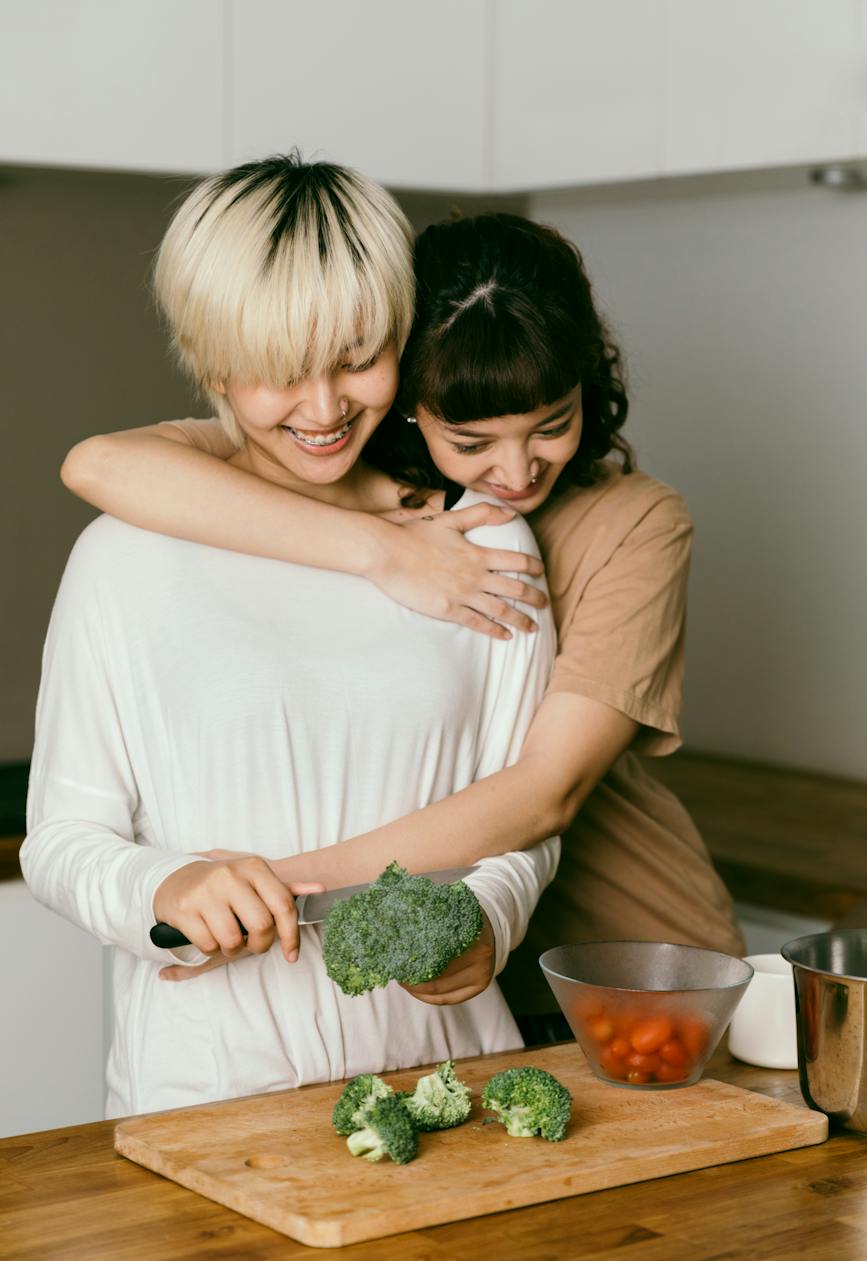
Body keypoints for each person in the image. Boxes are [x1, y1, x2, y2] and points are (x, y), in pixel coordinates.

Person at [61, 200, 745, 1044]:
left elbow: (547, 791)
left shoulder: (629, 522)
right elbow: (100, 465)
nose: (515, 471)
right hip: (441, 986)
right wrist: (382, 550)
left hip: (619, 958)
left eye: (553, 426)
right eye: (472, 440)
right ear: (414, 401)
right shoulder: (355, 480)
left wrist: (273, 891)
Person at [21, 155, 559, 1119]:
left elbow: (525, 817)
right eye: (279, 370)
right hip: (204, 1087)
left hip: (448, 1077)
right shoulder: (124, 557)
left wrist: (489, 917)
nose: (323, 409)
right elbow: (60, 841)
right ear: (212, 364)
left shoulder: (483, 544)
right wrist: (164, 886)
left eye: (356, 357)